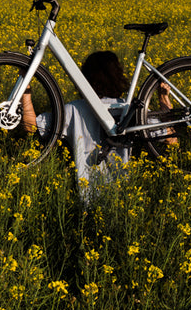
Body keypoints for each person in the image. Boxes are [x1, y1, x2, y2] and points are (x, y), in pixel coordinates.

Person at [21, 51, 172, 201]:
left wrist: (25, 90)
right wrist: (164, 98)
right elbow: (171, 138)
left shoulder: (74, 110)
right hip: (125, 202)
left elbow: (31, 127)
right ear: (118, 77)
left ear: (85, 79)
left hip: (87, 199)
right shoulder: (132, 110)